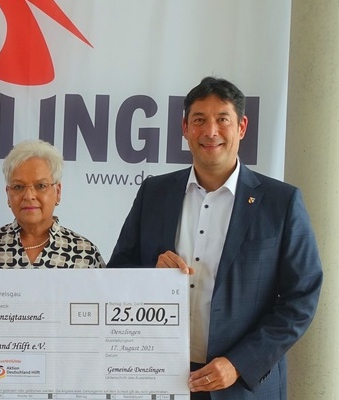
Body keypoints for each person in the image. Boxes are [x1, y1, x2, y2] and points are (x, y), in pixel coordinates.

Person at [108, 77, 323, 400]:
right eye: (199, 120)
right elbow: (117, 271)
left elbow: (301, 297)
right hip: (160, 377)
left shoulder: (281, 202)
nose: (210, 131)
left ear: (242, 127)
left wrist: (239, 363)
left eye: (223, 119)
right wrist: (151, 274)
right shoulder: (154, 193)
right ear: (185, 128)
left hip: (241, 385)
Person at [0, 139, 105, 269]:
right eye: (18, 187)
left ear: (58, 192)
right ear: (8, 194)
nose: (29, 196)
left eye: (41, 186)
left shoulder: (85, 255)